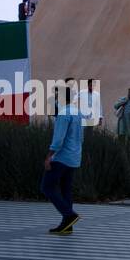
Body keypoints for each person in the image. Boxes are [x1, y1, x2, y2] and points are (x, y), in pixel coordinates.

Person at [43, 84, 83, 235]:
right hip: (74, 157)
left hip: (61, 158)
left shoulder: (64, 114)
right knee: (66, 189)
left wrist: (48, 157)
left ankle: (69, 214)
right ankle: (67, 226)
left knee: (46, 187)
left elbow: (58, 140)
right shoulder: (76, 112)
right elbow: (81, 137)